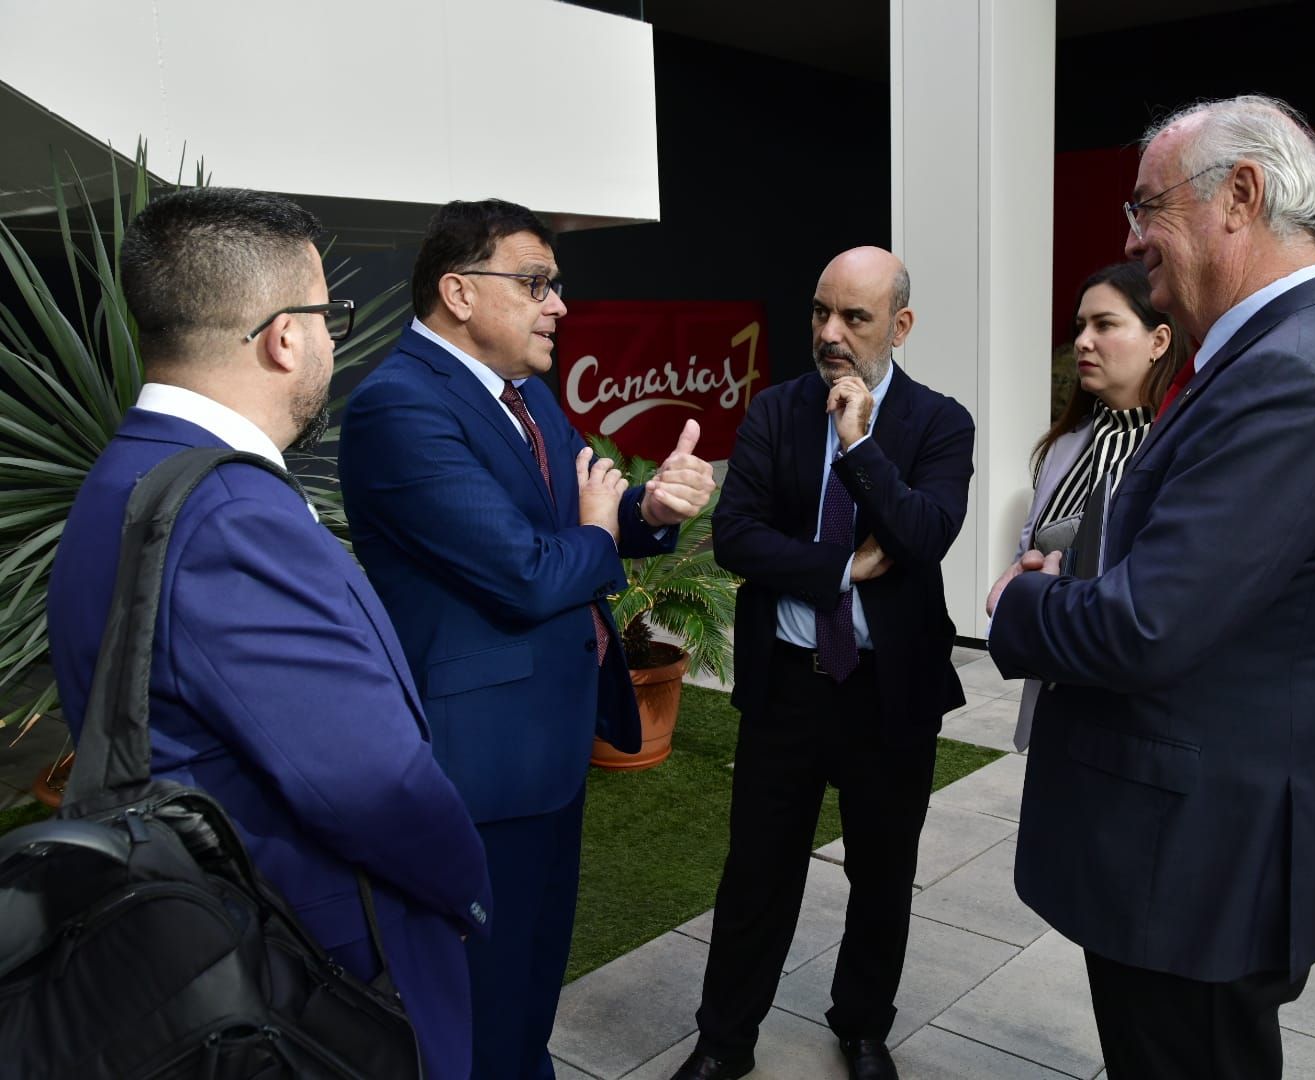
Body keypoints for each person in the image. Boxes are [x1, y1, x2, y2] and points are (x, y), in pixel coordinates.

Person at [986, 95, 1315, 1080]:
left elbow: (1148, 625)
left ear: (1240, 197)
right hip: (1199, 848)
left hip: (1196, 862)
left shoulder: (1288, 373)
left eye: (1146, 208)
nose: (1131, 240)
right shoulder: (1291, 353)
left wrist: (1020, 603)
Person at [47, 187, 493, 1080]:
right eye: (329, 315)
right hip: (313, 988)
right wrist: (469, 890)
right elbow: (375, 784)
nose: (332, 338)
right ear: (285, 336)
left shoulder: (121, 475)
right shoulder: (229, 517)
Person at [338, 199, 716, 1080]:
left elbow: (583, 511)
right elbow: (530, 571)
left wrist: (648, 509)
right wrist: (597, 530)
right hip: (480, 765)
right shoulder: (398, 406)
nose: (560, 307)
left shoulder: (531, 396)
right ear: (459, 291)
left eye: (558, 285)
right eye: (537, 284)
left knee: (531, 982)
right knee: (481, 1000)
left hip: (548, 744)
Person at [671, 247, 974, 1080]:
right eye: (819, 312)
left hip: (889, 696)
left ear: (900, 326)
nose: (829, 333)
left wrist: (860, 445)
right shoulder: (773, 411)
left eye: (855, 317)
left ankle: (864, 1026)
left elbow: (923, 535)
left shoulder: (941, 423)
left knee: (883, 877)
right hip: (789, 688)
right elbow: (736, 535)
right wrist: (839, 568)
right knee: (756, 876)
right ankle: (724, 1040)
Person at [991, 260, 1186, 749]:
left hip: (1139, 702)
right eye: (1080, 327)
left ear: (1159, 341)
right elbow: (1028, 551)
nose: (1082, 341)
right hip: (1058, 684)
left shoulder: (1181, 448)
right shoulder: (1063, 446)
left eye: (1105, 325)